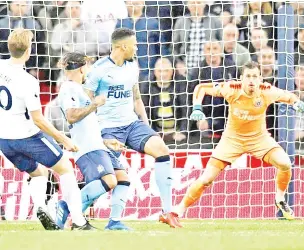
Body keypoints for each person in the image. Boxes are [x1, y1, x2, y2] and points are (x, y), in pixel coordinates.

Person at [174, 62, 304, 220]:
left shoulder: (267, 91)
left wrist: (297, 102)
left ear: (260, 79)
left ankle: (280, 199)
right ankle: (179, 210)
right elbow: (201, 88)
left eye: (255, 76)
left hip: (259, 139)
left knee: (285, 163)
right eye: (248, 76)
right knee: (206, 179)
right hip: (232, 140)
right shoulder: (232, 88)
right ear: (241, 79)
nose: (251, 81)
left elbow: (289, 96)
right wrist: (197, 107)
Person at [84, 28, 181, 228]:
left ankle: (167, 212)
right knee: (108, 177)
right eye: (134, 44)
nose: (137, 47)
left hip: (131, 124)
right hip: (107, 129)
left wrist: (146, 128)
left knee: (162, 150)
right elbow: (86, 102)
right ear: (123, 46)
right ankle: (75, 212)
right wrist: (93, 134)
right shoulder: (99, 69)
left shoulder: (132, 66)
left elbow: (136, 98)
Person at [0, 28, 92, 230]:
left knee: (39, 172)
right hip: (26, 136)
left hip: (4, 140)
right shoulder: (28, 81)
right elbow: (39, 120)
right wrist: (64, 139)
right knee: (65, 168)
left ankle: (41, 207)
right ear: (29, 51)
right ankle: (78, 221)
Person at [56, 52, 132, 230]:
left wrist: (106, 142)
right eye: (88, 66)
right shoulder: (69, 88)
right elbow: (72, 116)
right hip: (87, 148)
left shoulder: (78, 89)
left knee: (122, 178)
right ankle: (66, 207)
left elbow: (86, 123)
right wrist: (95, 104)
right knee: (110, 180)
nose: (89, 70)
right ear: (82, 68)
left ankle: (114, 222)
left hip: (97, 145)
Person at [141, 57, 188, 142]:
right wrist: (151, 133)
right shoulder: (147, 85)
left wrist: (182, 132)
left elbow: (186, 109)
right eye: (160, 71)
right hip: (156, 132)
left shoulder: (181, 83)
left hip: (177, 133)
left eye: (166, 70)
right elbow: (144, 112)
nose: (163, 74)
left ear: (172, 71)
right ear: (154, 72)